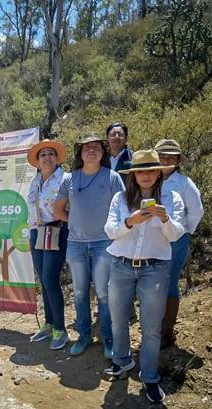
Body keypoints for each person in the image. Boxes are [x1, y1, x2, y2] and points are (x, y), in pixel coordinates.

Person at [104, 149, 185, 404]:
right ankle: (122, 361)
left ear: (159, 173)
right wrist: (130, 221)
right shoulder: (120, 198)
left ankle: (149, 376)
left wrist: (165, 219)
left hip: (155, 268)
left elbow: (176, 234)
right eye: (141, 171)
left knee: (151, 327)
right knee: (118, 319)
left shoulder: (171, 198)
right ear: (134, 175)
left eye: (151, 170)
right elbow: (110, 230)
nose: (146, 175)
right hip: (120, 265)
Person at [54, 135, 124, 358]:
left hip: (104, 243)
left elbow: (122, 210)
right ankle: (83, 336)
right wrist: (74, 222)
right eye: (86, 148)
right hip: (75, 244)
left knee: (104, 293)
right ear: (80, 153)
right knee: (81, 293)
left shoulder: (112, 177)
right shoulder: (70, 179)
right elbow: (58, 210)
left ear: (103, 152)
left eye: (96, 147)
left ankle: (108, 340)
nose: (91, 151)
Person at [155, 139, 204, 348]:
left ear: (178, 160)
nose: (166, 160)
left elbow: (196, 211)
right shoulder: (150, 179)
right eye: (162, 156)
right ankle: (155, 327)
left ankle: (167, 332)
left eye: (171, 157)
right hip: (154, 239)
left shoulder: (184, 182)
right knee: (154, 282)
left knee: (170, 282)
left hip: (176, 239)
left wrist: (184, 231)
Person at [26, 140, 71, 350]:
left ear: (56, 158)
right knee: (43, 281)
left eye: (50, 154)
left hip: (57, 231)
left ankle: (61, 330)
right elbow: (31, 210)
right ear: (37, 161)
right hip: (37, 233)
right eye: (42, 155)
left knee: (50, 280)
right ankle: (49, 324)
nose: (46, 157)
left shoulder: (65, 179)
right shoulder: (34, 181)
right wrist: (30, 235)